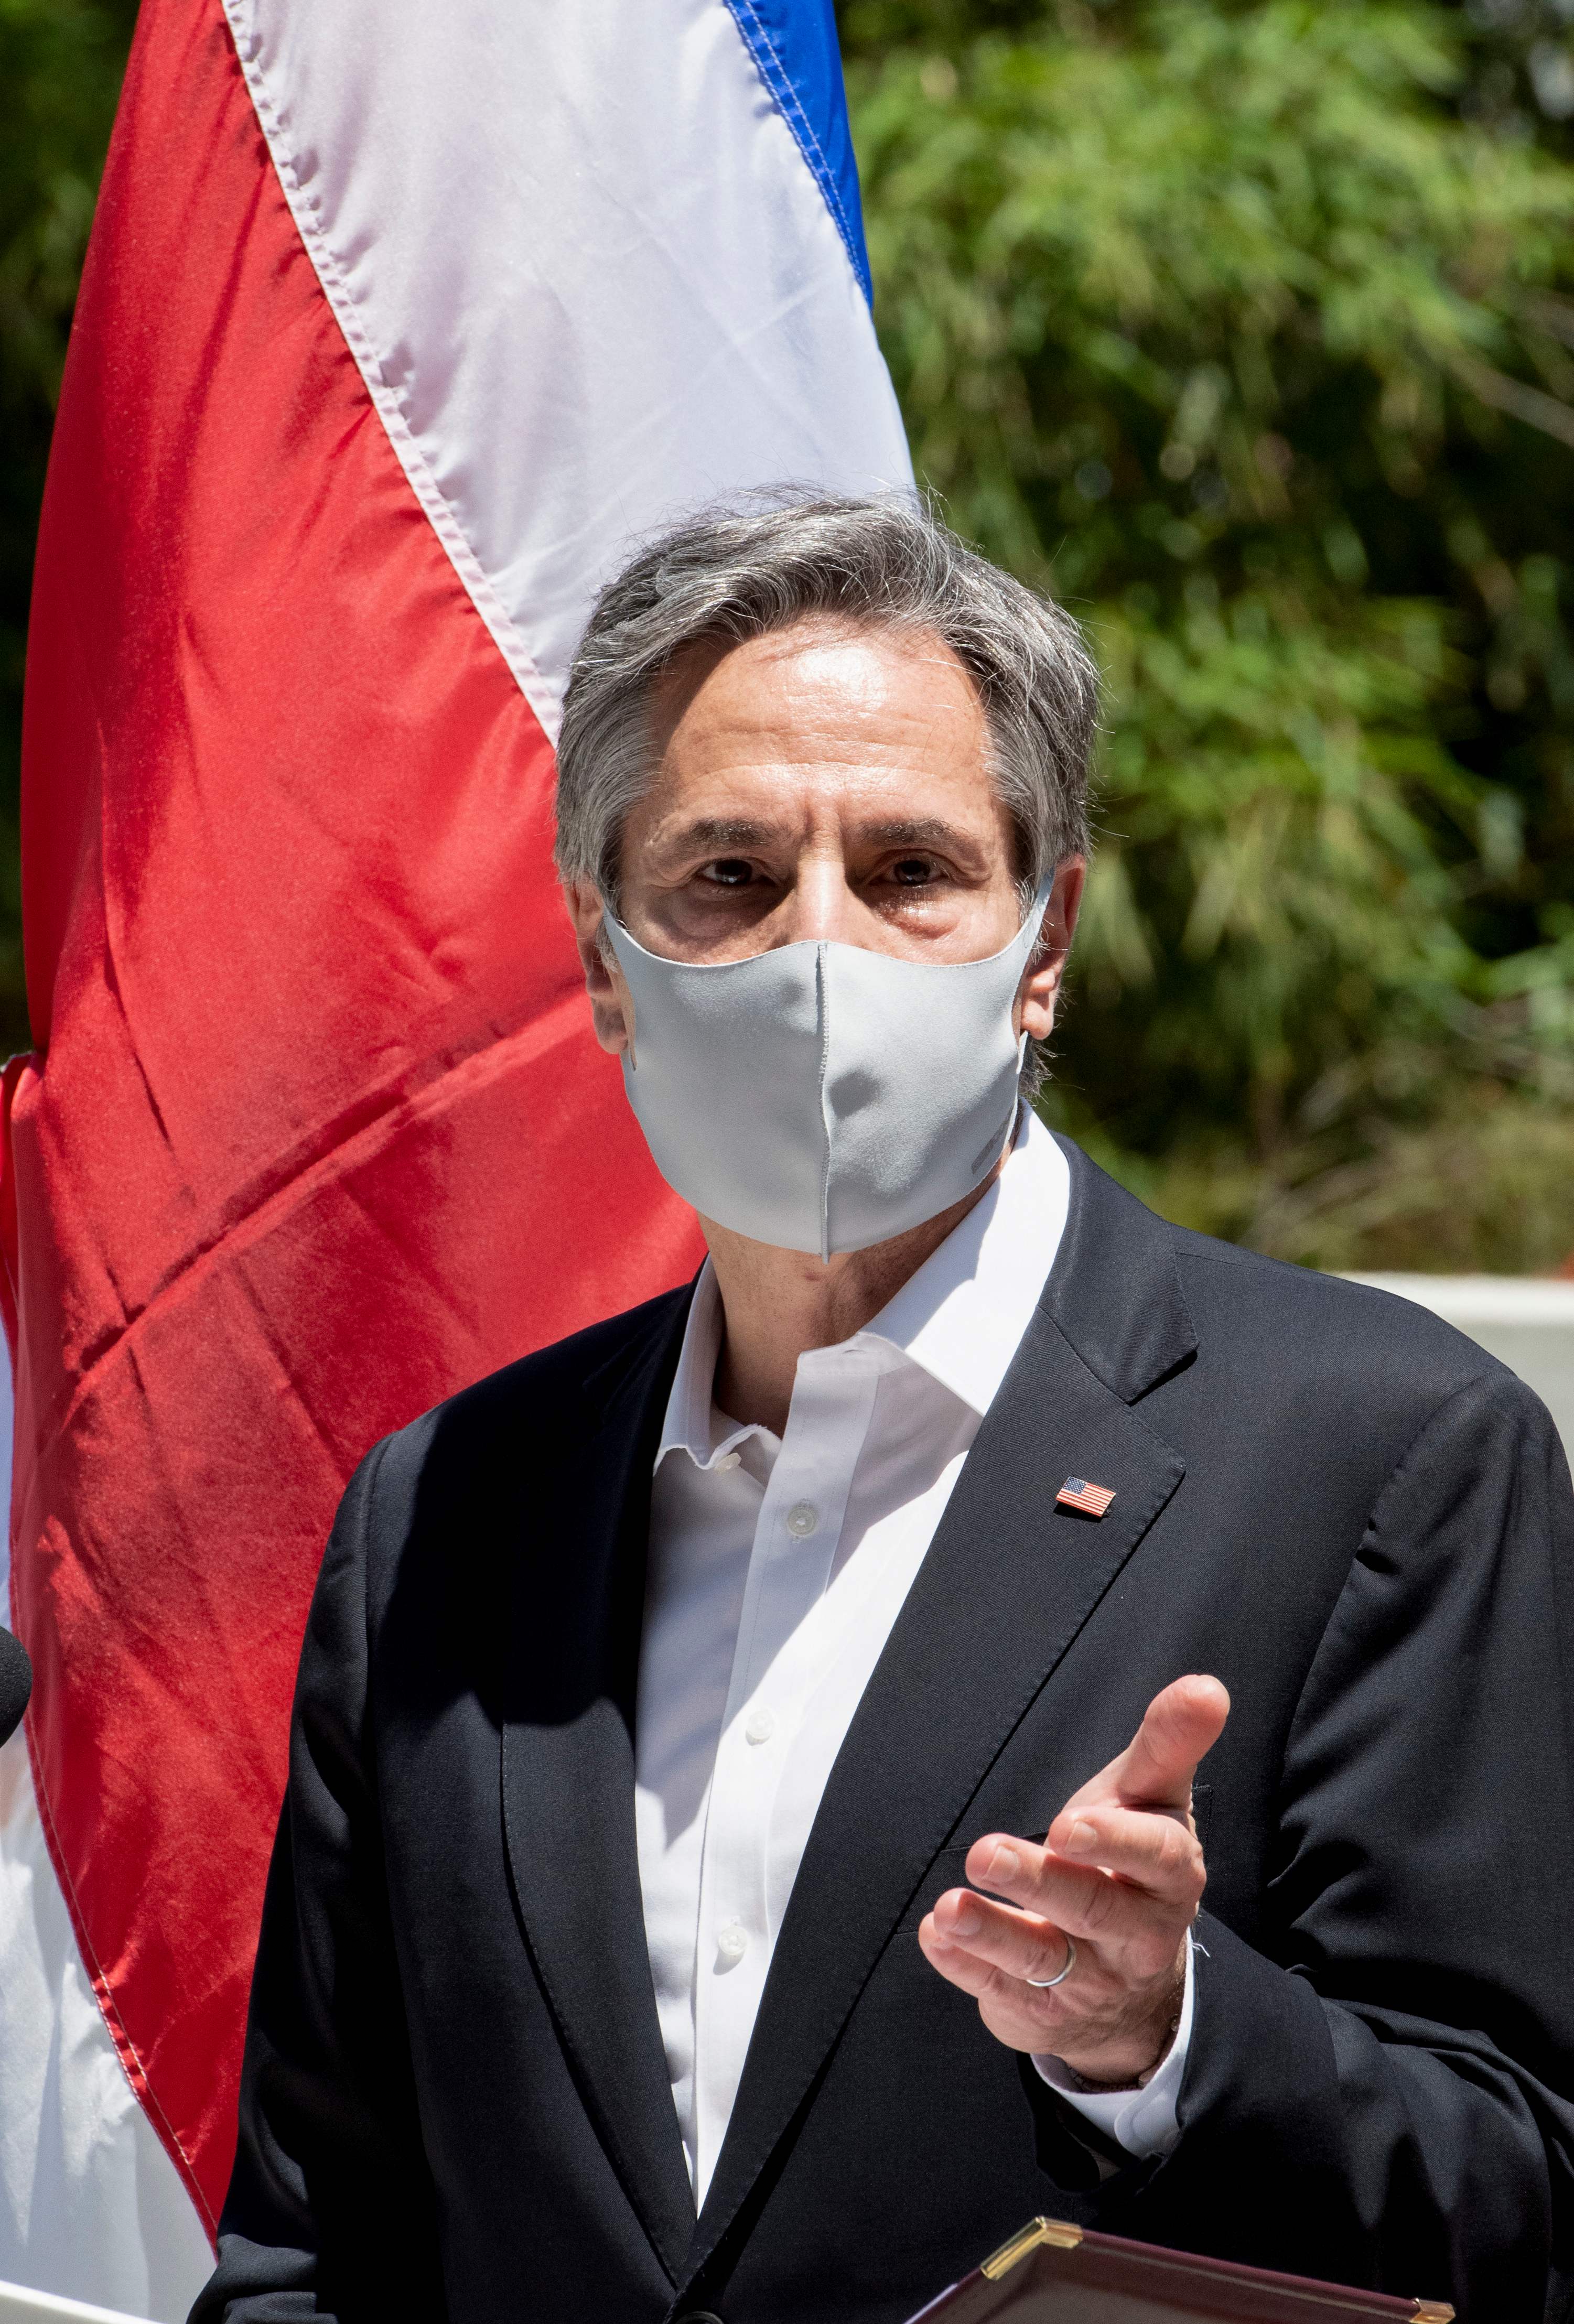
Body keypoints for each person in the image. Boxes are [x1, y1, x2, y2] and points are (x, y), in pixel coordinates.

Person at [193, 498, 1574, 2324]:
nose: (818, 953)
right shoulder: (442, 1509)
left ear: (1043, 941)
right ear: (604, 957)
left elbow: (1519, 2198)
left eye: (911, 869)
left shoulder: (1384, 1454)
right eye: (729, 874)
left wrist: (1164, 2038)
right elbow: (319, 2251)